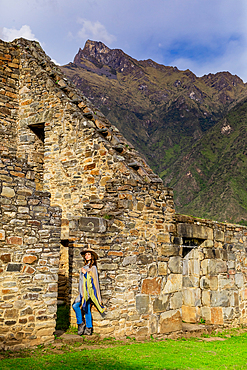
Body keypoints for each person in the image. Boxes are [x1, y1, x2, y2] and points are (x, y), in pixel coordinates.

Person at [72, 247, 105, 336]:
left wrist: (86, 273)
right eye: (86, 254)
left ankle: (88, 328)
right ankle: (81, 324)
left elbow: (94, 281)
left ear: (92, 256)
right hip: (82, 293)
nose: (87, 256)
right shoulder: (84, 267)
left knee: (86, 309)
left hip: (89, 293)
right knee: (75, 306)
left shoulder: (93, 267)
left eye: (89, 254)